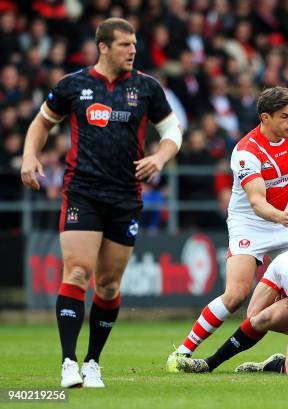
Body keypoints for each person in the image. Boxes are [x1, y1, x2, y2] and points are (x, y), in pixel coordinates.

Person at [20, 18, 182, 388]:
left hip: (126, 196)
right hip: (83, 192)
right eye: (125, 45)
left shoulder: (146, 87)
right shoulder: (74, 86)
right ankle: (67, 362)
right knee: (76, 272)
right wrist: (30, 155)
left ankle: (93, 361)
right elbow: (41, 124)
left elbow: (173, 131)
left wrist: (160, 158)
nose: (133, 51)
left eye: (135, 45)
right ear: (104, 47)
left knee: (108, 285)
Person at [166, 87, 288, 369]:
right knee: (236, 294)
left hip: (285, 225)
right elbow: (257, 202)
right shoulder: (246, 152)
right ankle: (182, 352)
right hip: (251, 225)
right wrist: (281, 217)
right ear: (265, 118)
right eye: (285, 116)